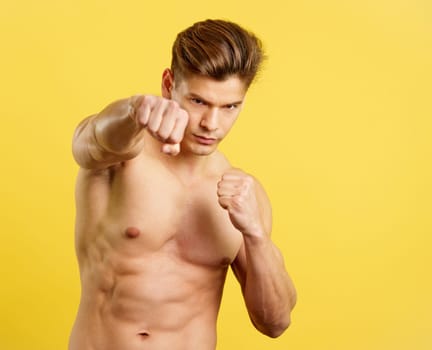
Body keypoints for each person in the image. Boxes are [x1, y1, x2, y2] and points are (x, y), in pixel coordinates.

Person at [69, 19, 296, 350]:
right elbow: (85, 144)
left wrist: (256, 236)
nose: (211, 124)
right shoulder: (120, 154)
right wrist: (134, 111)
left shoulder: (243, 195)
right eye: (198, 101)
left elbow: (275, 323)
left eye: (229, 106)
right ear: (168, 84)